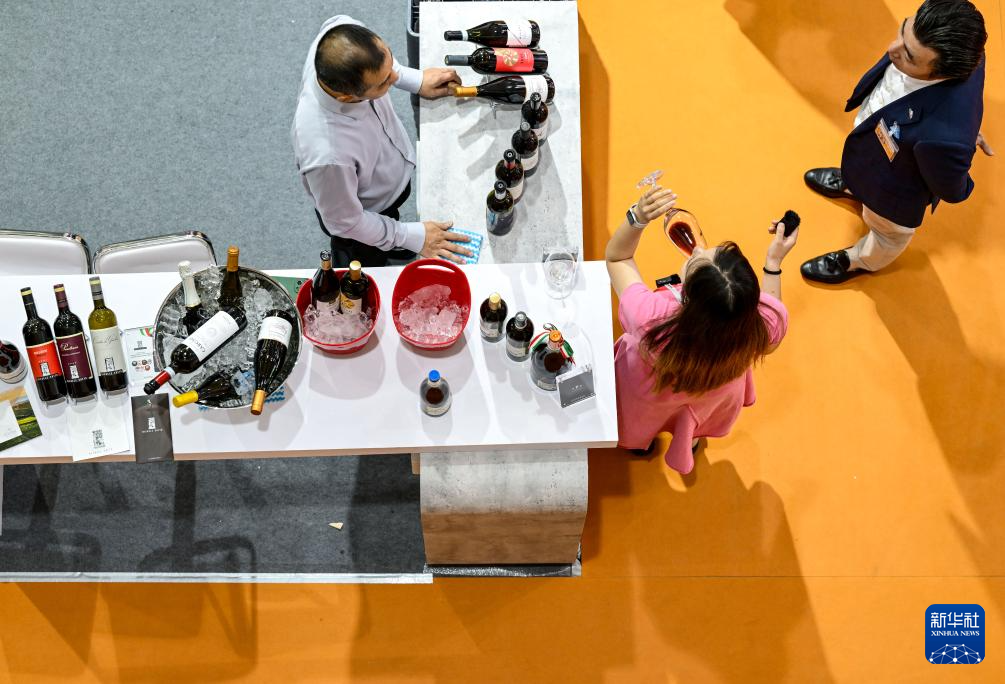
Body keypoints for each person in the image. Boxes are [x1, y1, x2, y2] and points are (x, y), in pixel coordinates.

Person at [607, 186, 798, 474]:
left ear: (688, 296)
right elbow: (774, 315)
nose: (696, 248)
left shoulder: (650, 318)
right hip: (713, 396)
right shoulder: (759, 325)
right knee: (694, 418)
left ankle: (641, 444)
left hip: (649, 391)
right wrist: (773, 262)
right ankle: (690, 438)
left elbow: (618, 258)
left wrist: (637, 218)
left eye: (697, 259)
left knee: (643, 417)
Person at [801, 0, 990, 284]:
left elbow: (953, 189)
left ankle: (861, 260)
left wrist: (962, 142)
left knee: (886, 234)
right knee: (862, 163)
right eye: (903, 30)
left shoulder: (945, 139)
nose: (892, 49)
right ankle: (854, 183)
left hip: (892, 192)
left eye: (909, 56)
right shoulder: (957, 40)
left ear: (942, 72)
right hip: (873, 147)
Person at [292, 15, 472, 267]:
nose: (395, 78)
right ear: (346, 97)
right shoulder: (327, 155)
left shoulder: (341, 30)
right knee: (366, 259)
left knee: (392, 226)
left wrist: (416, 80)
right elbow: (347, 222)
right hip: (365, 216)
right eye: (384, 82)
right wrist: (410, 236)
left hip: (388, 180)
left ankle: (393, 245)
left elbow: (384, 64)